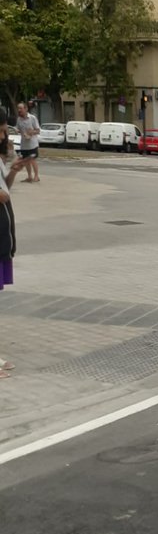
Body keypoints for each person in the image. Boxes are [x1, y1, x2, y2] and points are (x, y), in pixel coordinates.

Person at [0, 109, 24, 377]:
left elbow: (4, 187)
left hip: (3, 235)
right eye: (1, 130)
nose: (4, 135)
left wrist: (13, 172)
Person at [15, 102, 41, 183]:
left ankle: (36, 176)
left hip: (32, 144)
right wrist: (17, 130)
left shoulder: (32, 118)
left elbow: (38, 130)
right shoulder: (19, 119)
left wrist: (31, 132)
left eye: (21, 108)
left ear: (26, 109)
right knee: (26, 161)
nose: (19, 110)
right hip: (24, 144)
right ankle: (29, 176)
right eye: (18, 108)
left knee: (32, 160)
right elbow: (18, 128)